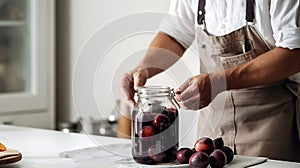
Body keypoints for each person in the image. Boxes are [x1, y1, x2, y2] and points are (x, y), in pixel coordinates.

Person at [120, 0, 300, 162]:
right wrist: (143, 68)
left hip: (273, 125)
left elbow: (294, 53)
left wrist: (219, 82)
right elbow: (174, 34)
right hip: (212, 130)